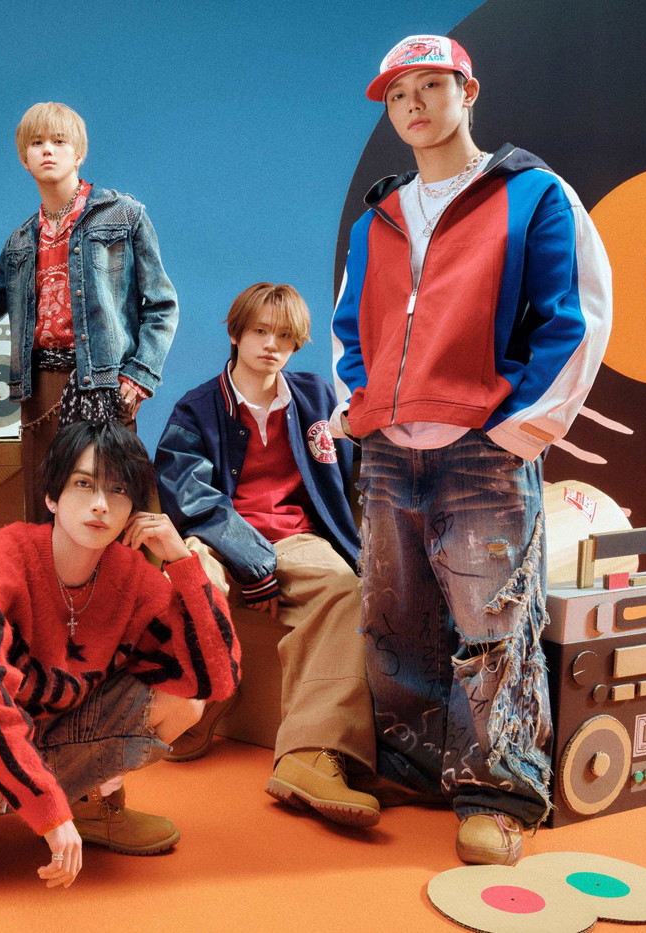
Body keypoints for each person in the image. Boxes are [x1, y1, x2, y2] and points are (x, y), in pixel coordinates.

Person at [333, 35, 611, 864]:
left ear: (469, 91)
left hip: (482, 452)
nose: (413, 104)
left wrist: (515, 430)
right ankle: (416, 767)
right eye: (397, 94)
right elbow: (350, 329)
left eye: (431, 85)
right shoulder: (379, 217)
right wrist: (363, 410)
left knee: (494, 628)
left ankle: (502, 792)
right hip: (389, 453)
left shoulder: (533, 193)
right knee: (395, 622)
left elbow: (576, 315)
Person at [0, 420, 240, 915]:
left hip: (53, 726)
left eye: (118, 490)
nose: (101, 504)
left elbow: (214, 680)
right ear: (52, 496)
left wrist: (182, 564)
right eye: (83, 484)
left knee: (184, 702)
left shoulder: (133, 578)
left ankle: (92, 806)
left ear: (133, 511)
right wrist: (48, 813)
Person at [155, 283, 377, 827]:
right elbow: (190, 497)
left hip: (297, 540)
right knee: (189, 578)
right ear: (236, 334)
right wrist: (252, 563)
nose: (271, 345)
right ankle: (197, 702)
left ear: (297, 343)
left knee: (344, 590)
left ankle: (310, 753)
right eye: (259, 331)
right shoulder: (197, 407)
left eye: (284, 336)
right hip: (219, 537)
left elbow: (351, 472)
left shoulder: (316, 398)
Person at [0, 102, 179, 521]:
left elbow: (162, 305)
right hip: (38, 388)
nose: (48, 150)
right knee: (46, 510)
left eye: (59, 141)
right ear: (24, 158)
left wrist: (139, 377)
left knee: (113, 504)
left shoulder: (123, 215)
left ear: (79, 152)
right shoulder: (20, 240)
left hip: (101, 382)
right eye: (37, 143)